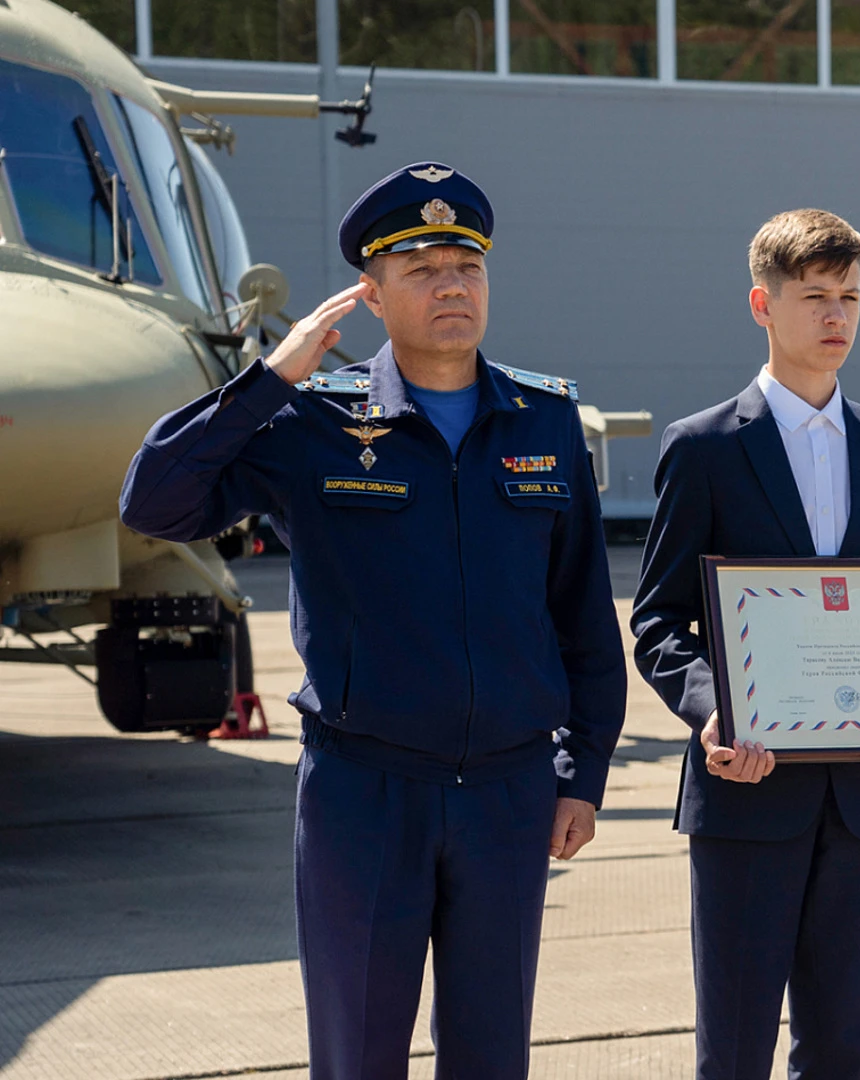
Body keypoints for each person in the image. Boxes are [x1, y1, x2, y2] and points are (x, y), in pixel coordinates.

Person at [119, 162, 627, 1078]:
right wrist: (269, 380)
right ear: (373, 293)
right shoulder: (311, 423)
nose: (451, 288)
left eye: (466, 268)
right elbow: (154, 501)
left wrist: (580, 773)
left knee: (492, 1055)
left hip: (509, 798)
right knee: (358, 1054)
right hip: (365, 795)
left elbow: (585, 617)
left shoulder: (543, 422)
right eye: (423, 270)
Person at [630, 208, 860, 1080]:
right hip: (747, 787)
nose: (836, 317)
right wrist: (716, 713)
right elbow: (658, 620)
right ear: (763, 303)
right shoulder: (705, 448)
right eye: (815, 296)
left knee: (839, 1048)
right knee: (738, 1047)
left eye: (852, 297)